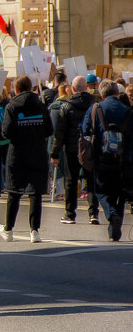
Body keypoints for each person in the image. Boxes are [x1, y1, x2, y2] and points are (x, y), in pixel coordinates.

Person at [0, 75, 53, 243]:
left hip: (18, 154)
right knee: (35, 193)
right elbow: (49, 130)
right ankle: (34, 231)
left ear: (16, 89)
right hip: (38, 152)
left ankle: (8, 229)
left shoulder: (12, 106)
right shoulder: (41, 105)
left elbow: (6, 132)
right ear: (31, 87)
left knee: (14, 191)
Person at [82, 80, 133, 241]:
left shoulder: (96, 109)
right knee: (120, 193)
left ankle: (112, 215)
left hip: (101, 159)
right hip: (124, 160)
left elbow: (85, 131)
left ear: (102, 95)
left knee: (101, 192)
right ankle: (114, 227)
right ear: (118, 93)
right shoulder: (128, 111)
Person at [52, 76, 100, 225]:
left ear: (72, 89)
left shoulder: (66, 106)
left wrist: (54, 153)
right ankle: (93, 213)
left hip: (72, 148)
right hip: (89, 147)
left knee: (71, 181)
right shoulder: (94, 104)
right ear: (86, 88)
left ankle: (70, 214)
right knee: (91, 180)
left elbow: (60, 132)